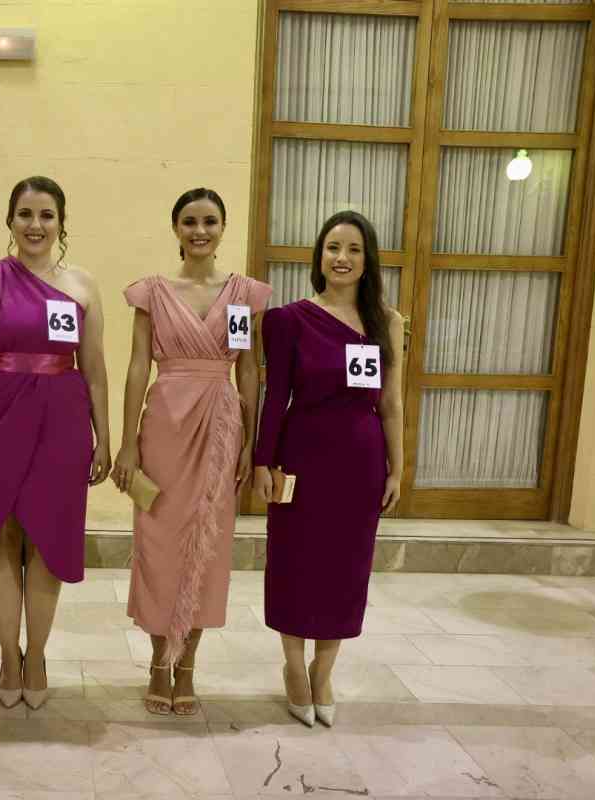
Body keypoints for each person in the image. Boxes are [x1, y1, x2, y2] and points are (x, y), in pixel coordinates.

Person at [0, 176, 111, 710]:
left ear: (61, 222)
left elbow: (94, 367)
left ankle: (38, 656)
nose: (35, 225)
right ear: (10, 220)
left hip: (61, 421)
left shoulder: (82, 285)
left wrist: (104, 435)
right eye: (25, 214)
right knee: (1, 537)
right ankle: (10, 655)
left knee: (49, 541)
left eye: (46, 215)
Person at [112, 188, 271, 715]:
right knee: (158, 544)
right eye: (189, 221)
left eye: (209, 221)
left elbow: (248, 370)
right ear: (175, 228)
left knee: (209, 547)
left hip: (221, 427)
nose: (199, 231)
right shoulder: (152, 292)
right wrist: (127, 443)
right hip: (163, 426)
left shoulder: (243, 294)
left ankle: (188, 667)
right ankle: (159, 662)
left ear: (223, 227)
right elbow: (138, 366)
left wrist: (250, 441)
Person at [253, 209, 404, 728]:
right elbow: (275, 399)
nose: (343, 258)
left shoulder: (387, 322)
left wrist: (397, 469)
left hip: (361, 464)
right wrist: (263, 461)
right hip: (303, 458)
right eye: (333, 248)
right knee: (294, 562)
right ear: (319, 257)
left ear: (368, 260)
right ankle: (294, 668)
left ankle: (324, 671)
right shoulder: (289, 320)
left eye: (354, 249)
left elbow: (392, 404)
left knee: (346, 569)